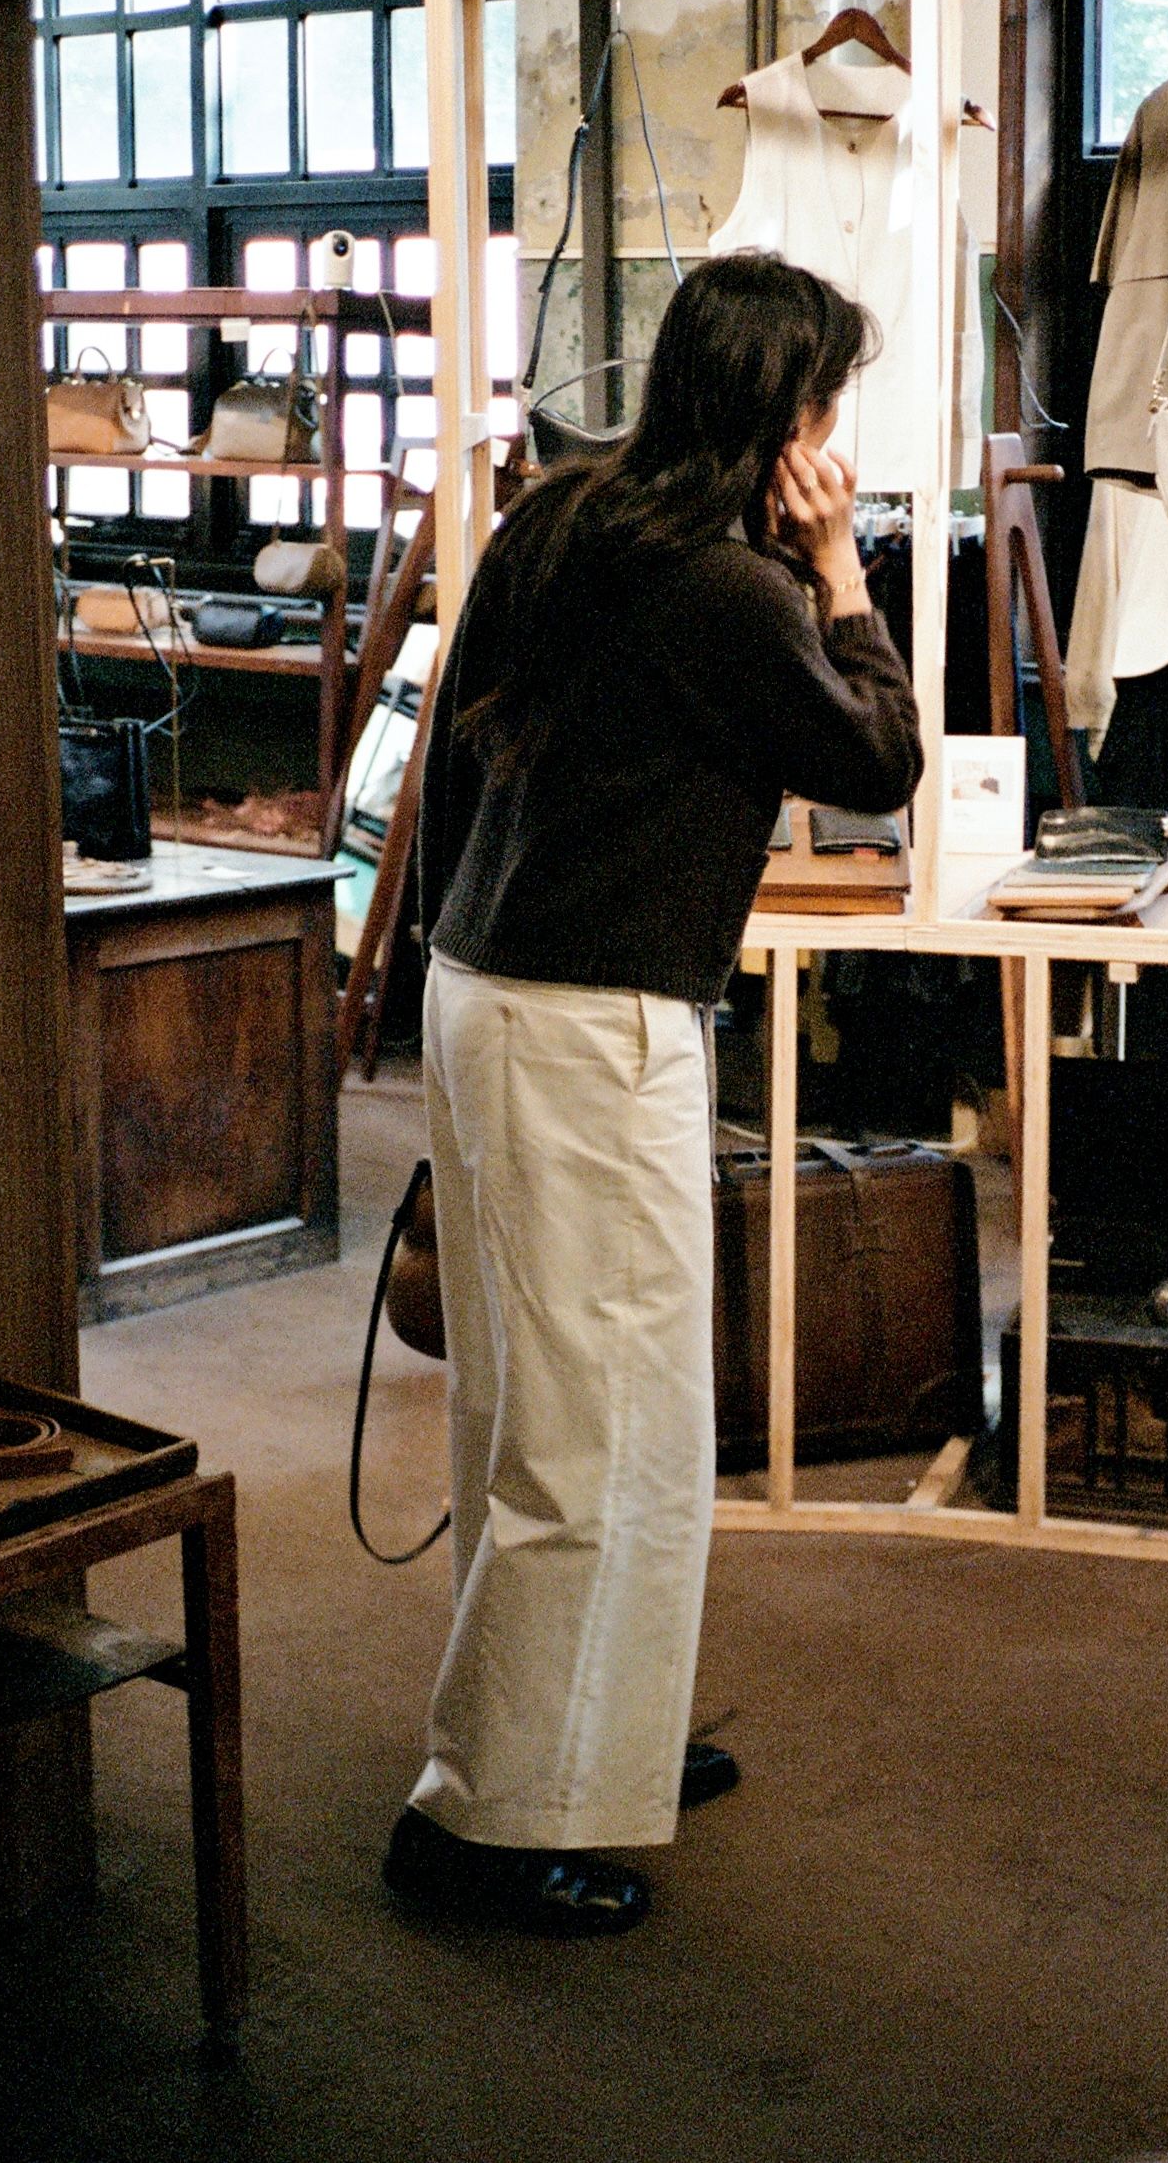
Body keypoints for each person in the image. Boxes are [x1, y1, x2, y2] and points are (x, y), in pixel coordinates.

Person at [384, 251, 924, 1935]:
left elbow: (461, 757)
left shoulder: (560, 517)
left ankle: (584, 1738)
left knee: (536, 1410)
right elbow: (880, 760)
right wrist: (843, 571)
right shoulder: (736, 589)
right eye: (827, 403)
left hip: (488, 985)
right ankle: (486, 1820)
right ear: (783, 416)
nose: (834, 435)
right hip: (591, 1021)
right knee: (599, 1428)